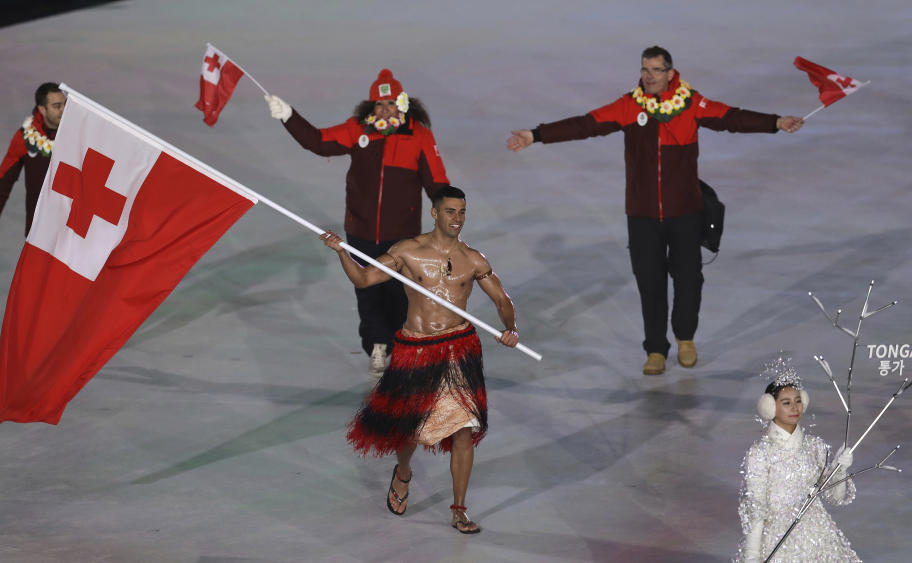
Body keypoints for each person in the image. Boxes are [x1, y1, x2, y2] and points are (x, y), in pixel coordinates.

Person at [506, 46, 804, 375]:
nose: (649, 76)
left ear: (671, 74)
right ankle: (656, 350)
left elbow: (732, 118)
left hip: (685, 212)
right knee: (651, 284)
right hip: (643, 215)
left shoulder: (692, 105)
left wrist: (775, 122)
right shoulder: (629, 106)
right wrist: (536, 135)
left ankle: (686, 338)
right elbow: (585, 124)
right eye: (645, 70)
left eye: (656, 70)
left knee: (689, 279)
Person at [320, 186, 519, 534]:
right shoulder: (408, 251)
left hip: (459, 348)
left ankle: (459, 509)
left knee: (464, 430)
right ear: (435, 213)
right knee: (409, 428)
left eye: (461, 212)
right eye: (450, 212)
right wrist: (341, 253)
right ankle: (403, 471)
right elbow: (365, 279)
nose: (457, 219)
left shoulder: (474, 259)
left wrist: (510, 329)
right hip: (416, 349)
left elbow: (502, 300)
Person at [266, 69, 450, 377]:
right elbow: (318, 142)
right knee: (367, 293)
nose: (385, 110)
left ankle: (402, 347)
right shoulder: (357, 131)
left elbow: (437, 182)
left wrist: (449, 214)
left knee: (398, 293)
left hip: (402, 236)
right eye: (379, 104)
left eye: (391, 103)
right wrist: (288, 116)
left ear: (402, 104)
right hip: (361, 230)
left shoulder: (418, 136)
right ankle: (378, 346)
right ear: (371, 108)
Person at [735, 358, 859, 562]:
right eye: (786, 402)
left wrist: (840, 469)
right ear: (770, 407)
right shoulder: (760, 453)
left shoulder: (815, 446)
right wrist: (752, 557)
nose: (795, 407)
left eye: (798, 400)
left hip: (819, 540)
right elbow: (755, 510)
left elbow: (835, 498)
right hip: (777, 541)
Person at [0, 82, 66, 249]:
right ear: (42, 109)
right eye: (57, 106)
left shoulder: (78, 134)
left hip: (73, 227)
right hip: (39, 228)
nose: (63, 110)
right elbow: (3, 180)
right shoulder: (25, 138)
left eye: (65, 104)